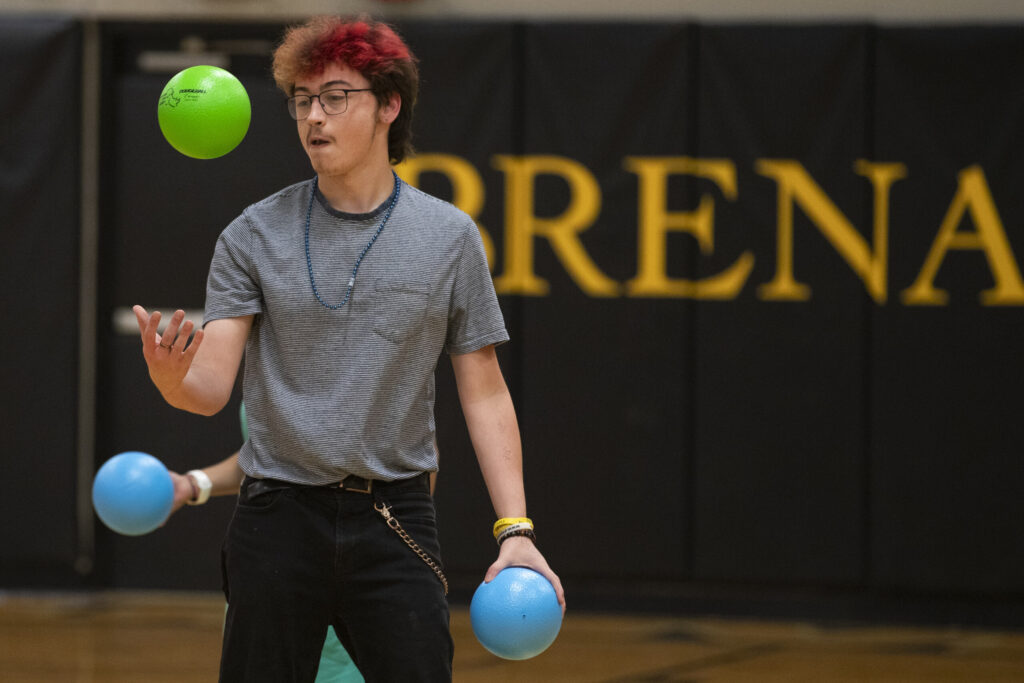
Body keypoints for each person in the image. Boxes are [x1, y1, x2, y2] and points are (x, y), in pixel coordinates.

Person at [133, 15, 564, 683]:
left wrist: (516, 529)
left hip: (392, 517)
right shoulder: (252, 234)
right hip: (277, 516)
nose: (314, 117)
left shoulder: (449, 238)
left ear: (389, 105)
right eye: (303, 101)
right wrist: (170, 380)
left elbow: (484, 389)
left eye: (336, 97)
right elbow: (211, 385)